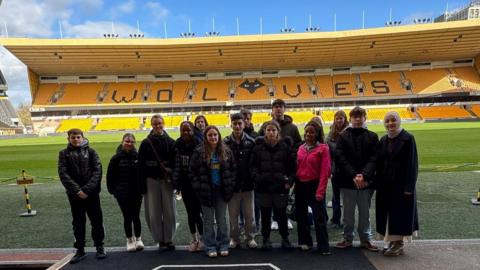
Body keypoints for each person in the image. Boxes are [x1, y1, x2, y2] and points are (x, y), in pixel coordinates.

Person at [58, 128, 106, 264]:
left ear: (83, 138)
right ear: (68, 139)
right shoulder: (64, 154)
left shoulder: (91, 152)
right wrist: (77, 191)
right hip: (75, 196)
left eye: (78, 137)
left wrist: (86, 190)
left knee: (96, 221)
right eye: (73, 137)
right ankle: (80, 250)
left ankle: (99, 247)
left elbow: (97, 172)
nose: (76, 139)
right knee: (78, 223)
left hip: (92, 195)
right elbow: (63, 174)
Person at [334, 106, 379, 252]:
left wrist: (364, 176)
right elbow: (340, 158)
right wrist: (354, 175)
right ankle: (347, 238)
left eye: (360, 116)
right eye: (355, 117)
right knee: (348, 214)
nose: (358, 119)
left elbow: (375, 158)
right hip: (348, 182)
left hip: (366, 182)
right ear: (351, 119)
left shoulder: (372, 136)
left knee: (365, 213)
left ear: (365, 118)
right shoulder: (343, 136)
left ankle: (366, 239)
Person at [375, 111, 419, 256]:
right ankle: (393, 242)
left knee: (400, 214)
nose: (390, 124)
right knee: (389, 215)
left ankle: (399, 244)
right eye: (387, 121)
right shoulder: (383, 140)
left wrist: (409, 187)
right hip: (386, 185)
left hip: (401, 185)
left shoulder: (408, 138)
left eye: (393, 120)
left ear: (399, 121)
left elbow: (412, 165)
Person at [189, 125, 236, 258]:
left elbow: (233, 169)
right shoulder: (199, 152)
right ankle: (210, 246)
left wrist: (230, 184)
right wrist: (198, 186)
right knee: (208, 220)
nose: (213, 137)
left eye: (215, 134)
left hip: (221, 191)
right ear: (205, 137)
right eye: (210, 135)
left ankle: (223, 244)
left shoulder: (226, 150)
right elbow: (192, 172)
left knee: (221, 219)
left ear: (219, 136)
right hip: (206, 192)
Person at [250, 120, 296, 250]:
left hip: (280, 187)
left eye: (273, 130)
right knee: (265, 215)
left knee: (281, 215)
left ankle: (285, 238)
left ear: (278, 132)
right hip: (263, 187)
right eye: (268, 130)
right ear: (264, 131)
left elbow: (292, 168)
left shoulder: (285, 147)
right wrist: (257, 178)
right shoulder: (258, 147)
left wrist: (289, 181)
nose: (271, 133)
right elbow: (252, 166)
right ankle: (266, 239)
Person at [258, 99, 301, 230]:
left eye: (280, 106)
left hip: (285, 167)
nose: (278, 109)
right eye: (275, 107)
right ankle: (273, 219)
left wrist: (291, 154)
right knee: (269, 195)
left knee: (283, 195)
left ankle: (284, 218)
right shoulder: (265, 125)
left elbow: (299, 144)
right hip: (269, 166)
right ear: (272, 110)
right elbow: (259, 142)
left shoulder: (292, 127)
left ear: (284, 109)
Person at [138, 114, 176, 251]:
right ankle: (159, 239)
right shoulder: (145, 143)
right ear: (151, 125)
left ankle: (169, 239)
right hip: (151, 180)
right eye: (155, 124)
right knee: (153, 212)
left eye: (159, 123)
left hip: (166, 180)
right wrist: (142, 185)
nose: (158, 126)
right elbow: (141, 166)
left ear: (163, 123)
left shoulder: (171, 142)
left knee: (170, 211)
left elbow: (175, 163)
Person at [295, 121, 331, 255]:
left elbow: (325, 172)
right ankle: (305, 242)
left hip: (315, 185)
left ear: (317, 134)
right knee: (301, 215)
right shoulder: (301, 148)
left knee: (319, 217)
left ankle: (323, 246)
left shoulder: (323, 148)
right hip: (300, 185)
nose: (308, 134)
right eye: (307, 131)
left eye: (312, 132)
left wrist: (320, 191)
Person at [224, 113, 257, 249]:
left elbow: (254, 163)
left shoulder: (251, 142)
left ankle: (250, 237)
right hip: (233, 186)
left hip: (248, 185)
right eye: (235, 123)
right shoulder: (225, 142)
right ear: (231, 124)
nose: (237, 126)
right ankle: (234, 238)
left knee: (250, 215)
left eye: (240, 123)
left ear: (244, 124)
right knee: (233, 216)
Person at [107, 133, 144, 252]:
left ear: (134, 143)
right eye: (127, 141)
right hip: (122, 193)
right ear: (122, 142)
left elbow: (142, 175)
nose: (129, 143)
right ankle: (129, 240)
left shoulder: (138, 156)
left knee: (136, 216)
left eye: (131, 142)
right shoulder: (116, 158)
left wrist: (142, 189)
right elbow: (110, 176)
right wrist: (113, 191)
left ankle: (138, 239)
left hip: (136, 192)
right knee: (127, 217)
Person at [172, 121, 204, 252]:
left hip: (198, 184)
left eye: (188, 130)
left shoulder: (199, 144)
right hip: (185, 184)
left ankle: (203, 239)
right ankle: (194, 238)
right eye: (183, 130)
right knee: (190, 213)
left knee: (198, 213)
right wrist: (177, 184)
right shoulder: (178, 145)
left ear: (193, 130)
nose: (186, 133)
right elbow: (177, 166)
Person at [326, 110, 349, 228]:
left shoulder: (350, 132)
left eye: (341, 118)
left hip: (347, 171)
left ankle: (347, 220)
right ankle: (335, 219)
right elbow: (327, 152)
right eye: (337, 118)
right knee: (335, 197)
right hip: (336, 170)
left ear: (345, 119)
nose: (339, 120)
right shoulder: (331, 133)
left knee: (347, 197)